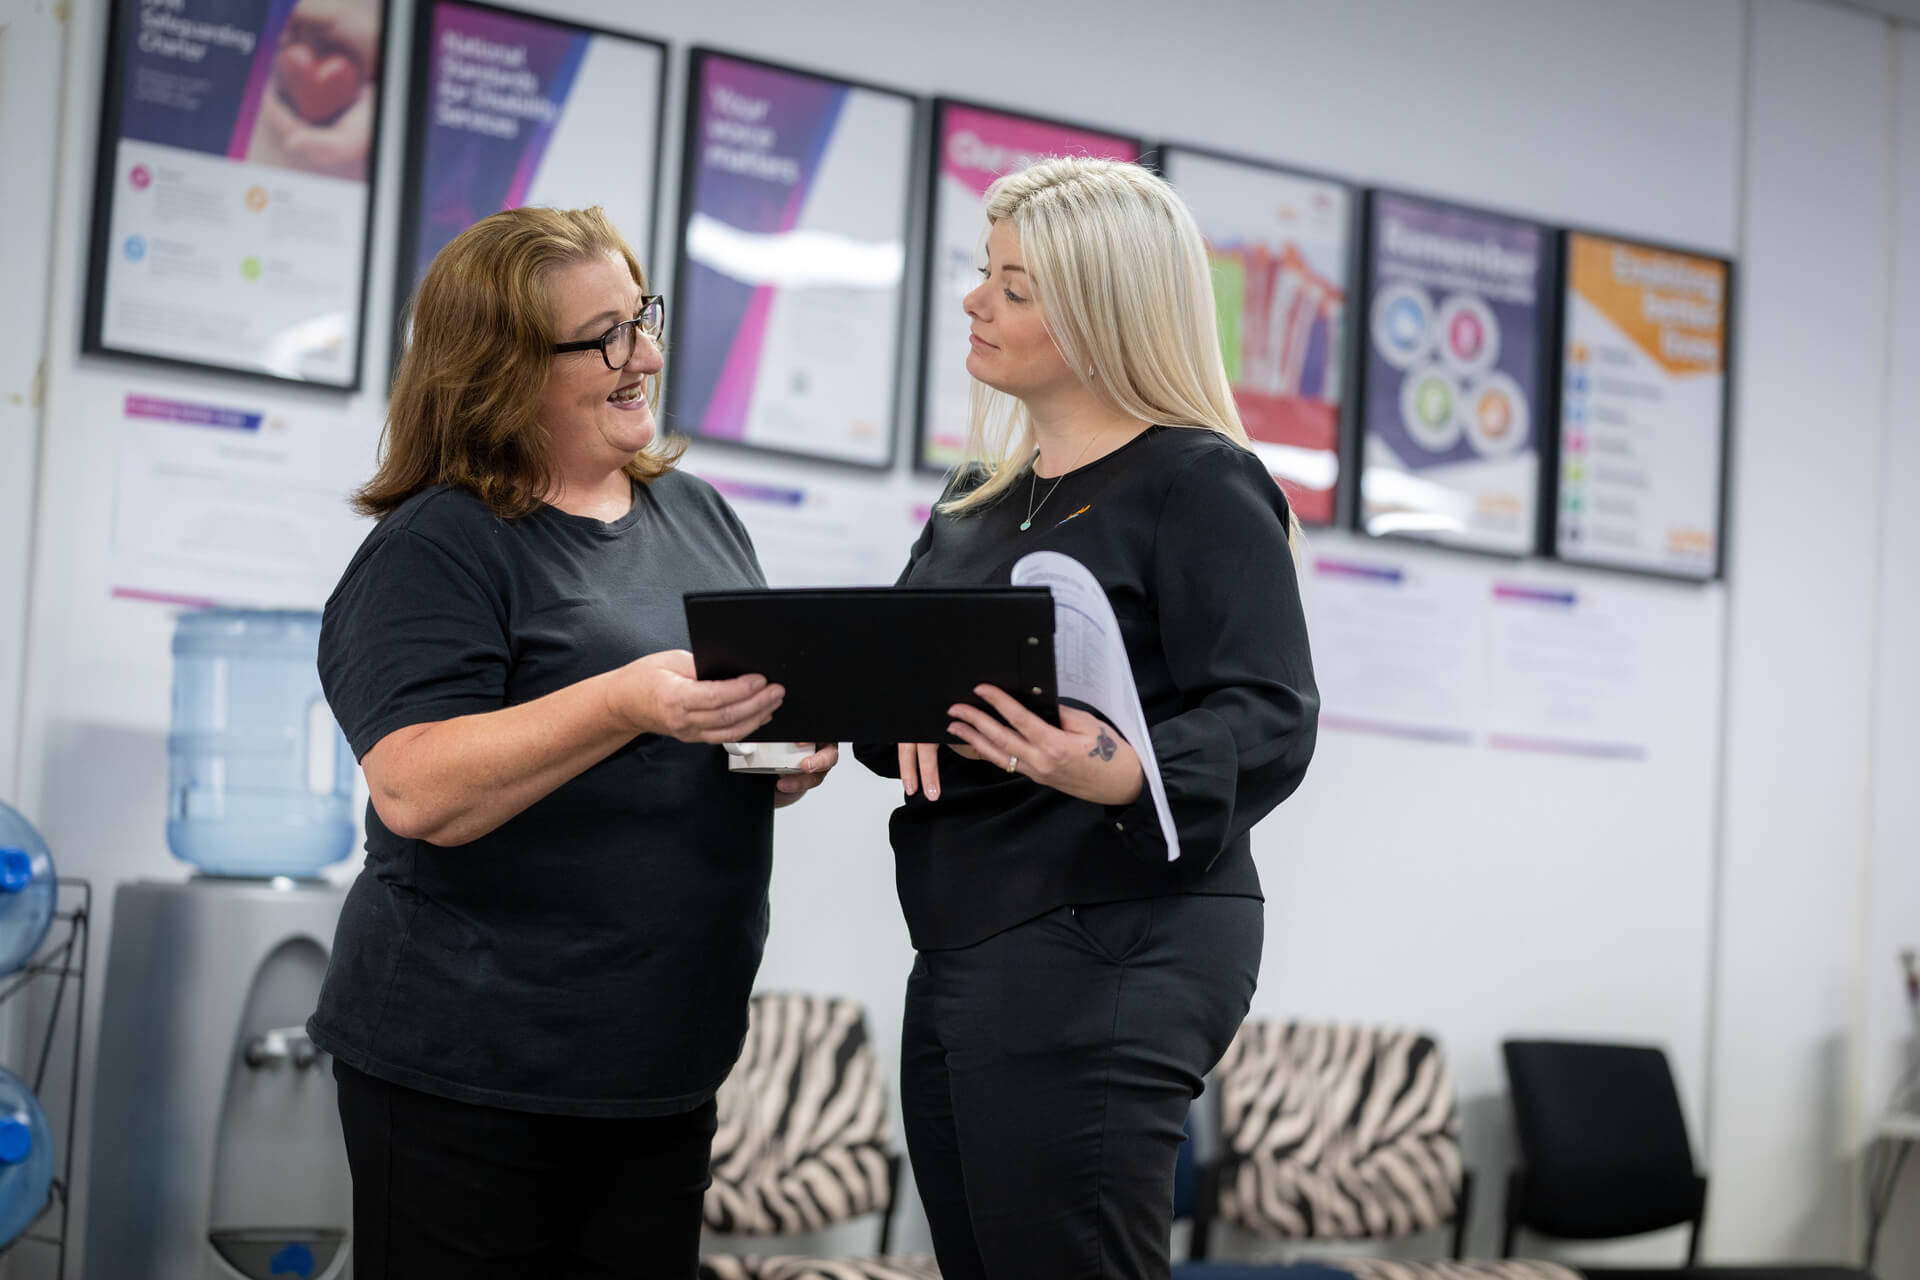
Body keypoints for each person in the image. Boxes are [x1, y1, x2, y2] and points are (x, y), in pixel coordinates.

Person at [311, 205, 836, 1279]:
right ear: (500, 370)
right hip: (471, 1068)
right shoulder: (439, 546)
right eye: (600, 336)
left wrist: (775, 757)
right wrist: (625, 702)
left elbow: (702, 733)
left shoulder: (699, 516)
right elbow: (418, 790)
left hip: (662, 1061)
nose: (642, 353)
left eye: (640, 317)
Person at [854, 157, 1318, 1278]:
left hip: (1120, 931)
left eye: (1014, 288)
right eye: (985, 274)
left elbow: (1271, 710)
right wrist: (872, 704)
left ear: (1103, 312)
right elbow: (901, 715)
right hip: (967, 932)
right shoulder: (973, 505)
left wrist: (1117, 767)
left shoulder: (1199, 483)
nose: (976, 301)